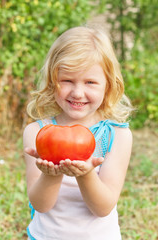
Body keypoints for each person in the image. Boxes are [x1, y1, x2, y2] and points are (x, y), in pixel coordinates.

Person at [23, 25, 133, 240]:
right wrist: (50, 175)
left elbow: (103, 208)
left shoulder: (116, 135)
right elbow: (41, 205)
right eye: (67, 80)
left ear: (108, 86)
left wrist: (85, 174)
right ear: (52, 81)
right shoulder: (37, 131)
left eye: (90, 82)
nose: (78, 92)